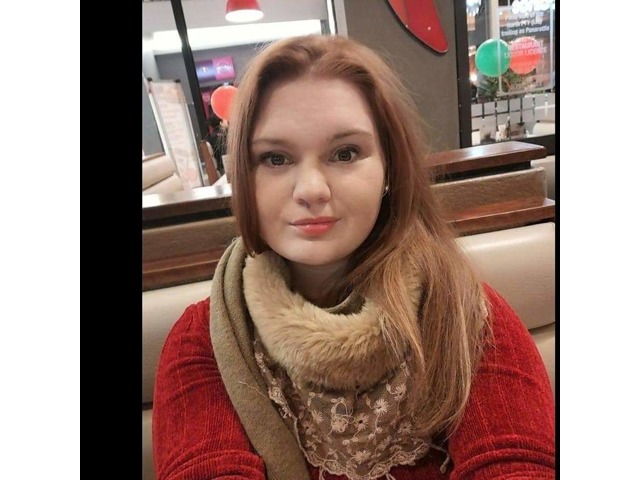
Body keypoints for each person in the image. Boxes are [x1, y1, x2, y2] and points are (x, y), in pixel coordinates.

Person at [152, 34, 555, 480]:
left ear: (389, 168)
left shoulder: (465, 312)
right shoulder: (202, 342)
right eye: (275, 158)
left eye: (345, 153)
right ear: (244, 177)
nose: (311, 190)